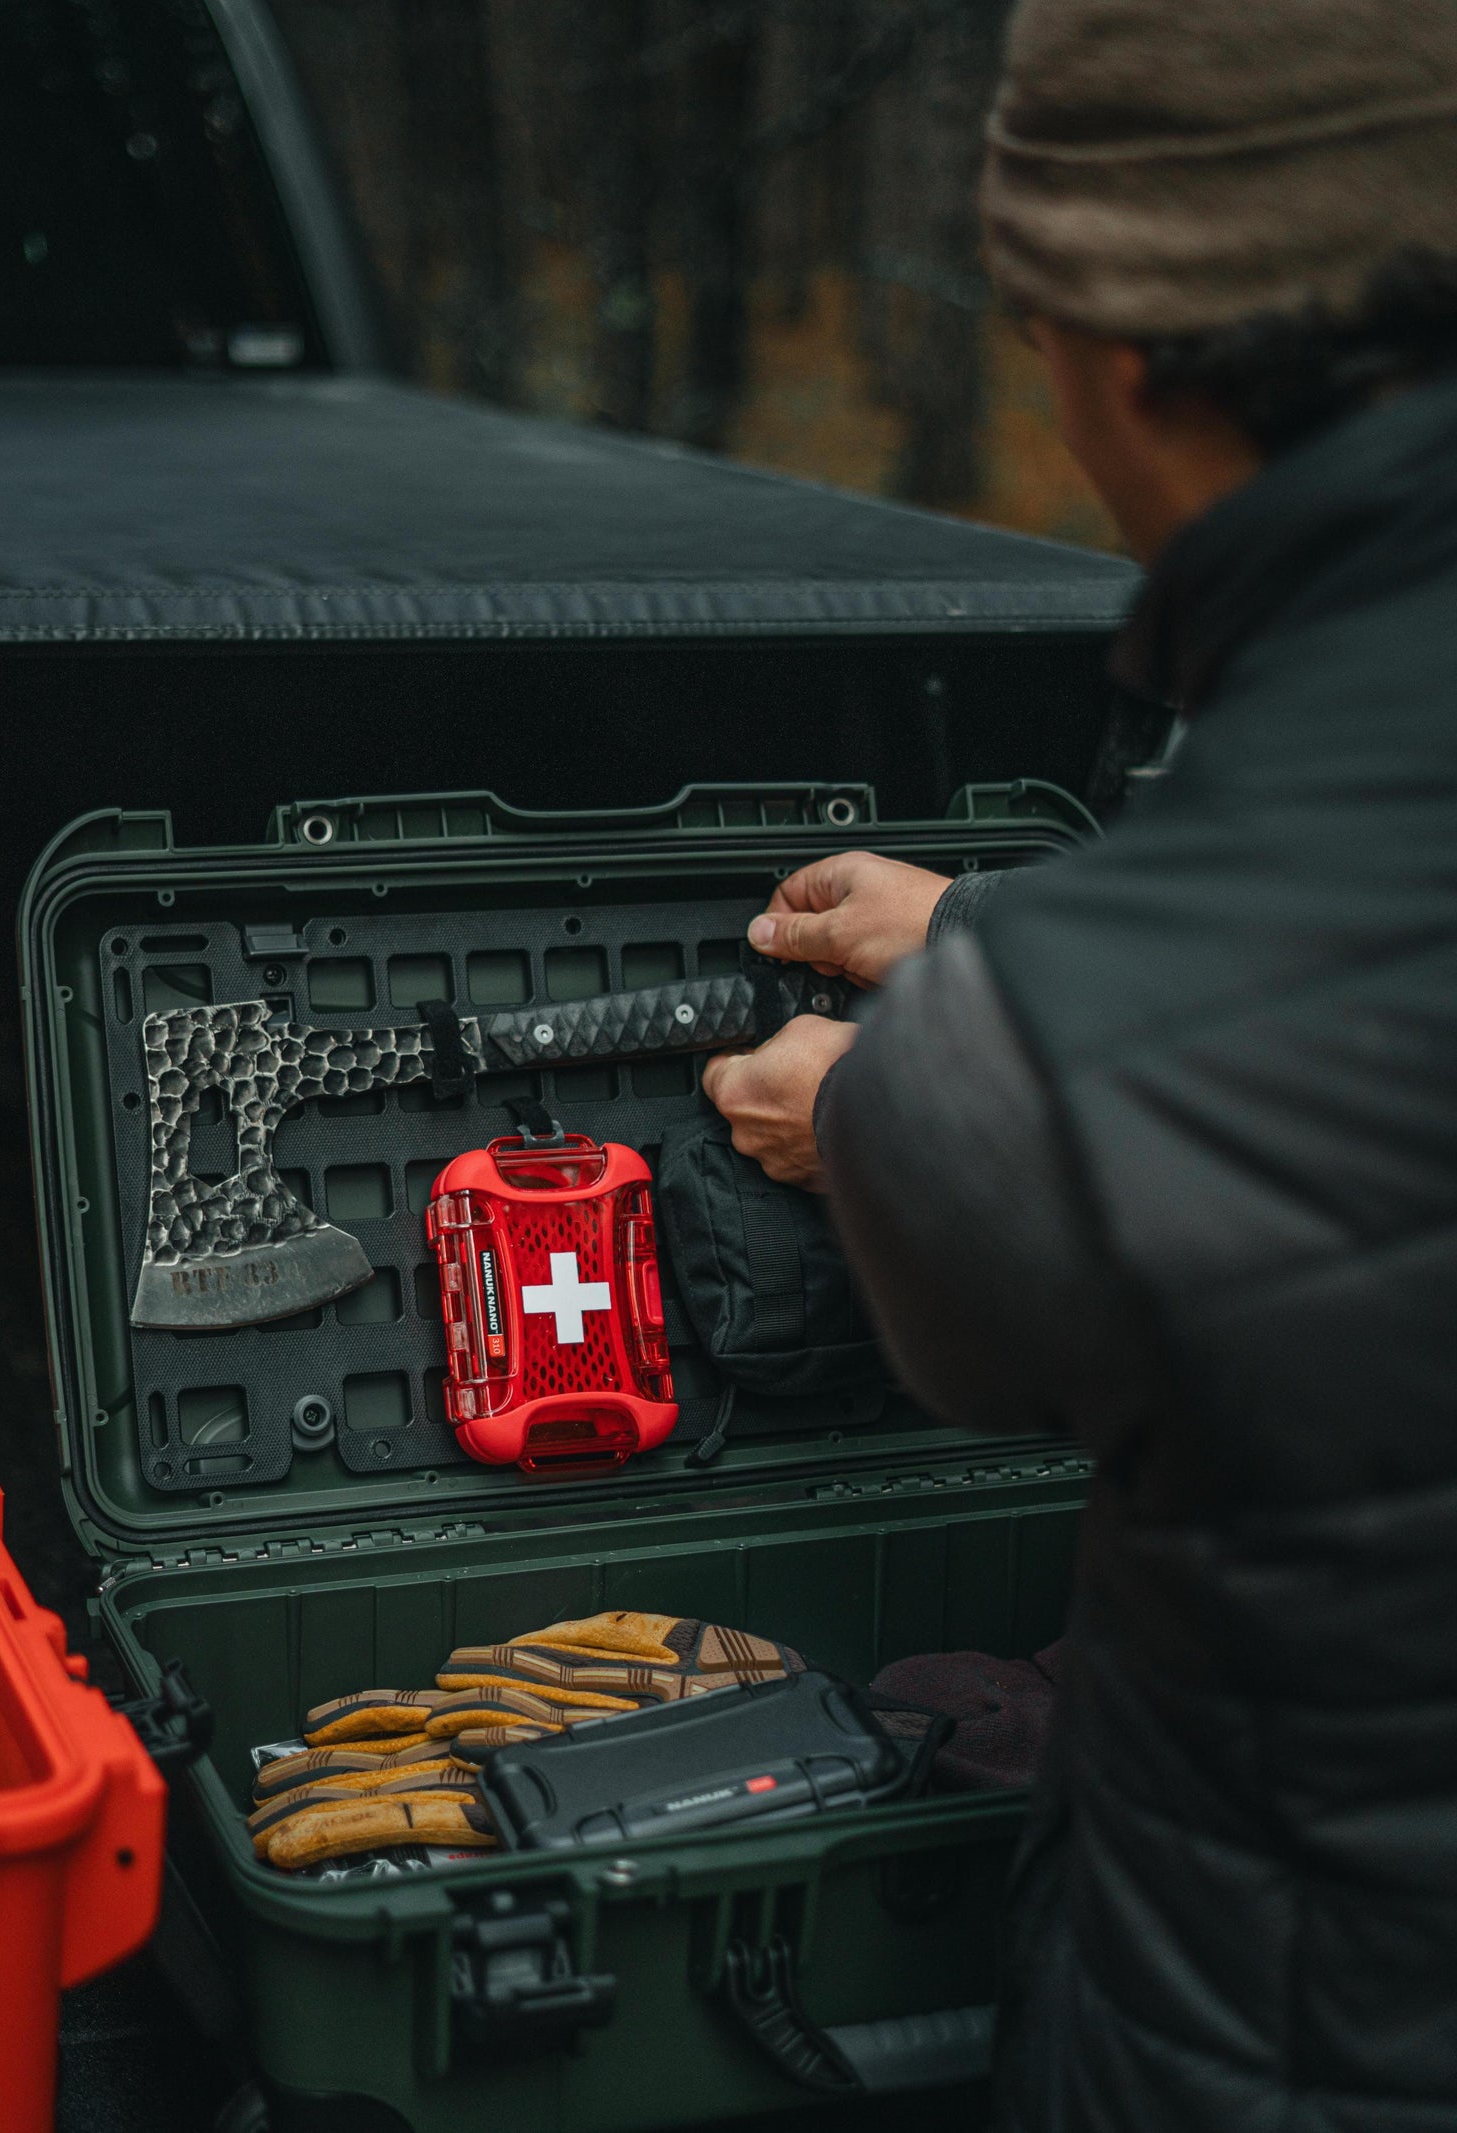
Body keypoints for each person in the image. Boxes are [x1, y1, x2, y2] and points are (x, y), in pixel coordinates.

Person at [702, 3, 1457, 2127]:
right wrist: (993, 941)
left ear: (1118, 354)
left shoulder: (999, 1095)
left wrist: (863, 1093)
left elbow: (1035, 1207)